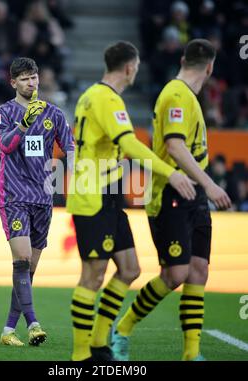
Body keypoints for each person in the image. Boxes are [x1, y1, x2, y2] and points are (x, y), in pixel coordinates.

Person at [66, 41, 197, 361]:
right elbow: (130, 144)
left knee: (129, 268)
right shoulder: (108, 100)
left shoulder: (90, 96)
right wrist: (172, 173)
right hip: (93, 196)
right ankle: (81, 356)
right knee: (93, 275)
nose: (136, 71)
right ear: (129, 67)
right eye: (136, 66)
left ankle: (99, 342)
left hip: (107, 194)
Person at [111, 39, 231, 361]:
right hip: (172, 193)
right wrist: (211, 185)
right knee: (175, 274)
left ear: (183, 59)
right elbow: (175, 145)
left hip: (194, 195)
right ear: (210, 67)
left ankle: (192, 354)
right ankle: (122, 328)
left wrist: (203, 187)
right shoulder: (177, 94)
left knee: (198, 271)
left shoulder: (186, 96)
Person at [0, 57, 74, 346]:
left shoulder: (54, 114)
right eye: (25, 78)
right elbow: (5, 145)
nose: (32, 82)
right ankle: (34, 324)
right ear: (13, 82)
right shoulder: (3, 113)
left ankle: (7, 331)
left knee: (29, 269)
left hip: (42, 197)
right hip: (13, 194)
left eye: (34, 77)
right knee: (22, 260)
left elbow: (70, 146)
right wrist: (24, 124)